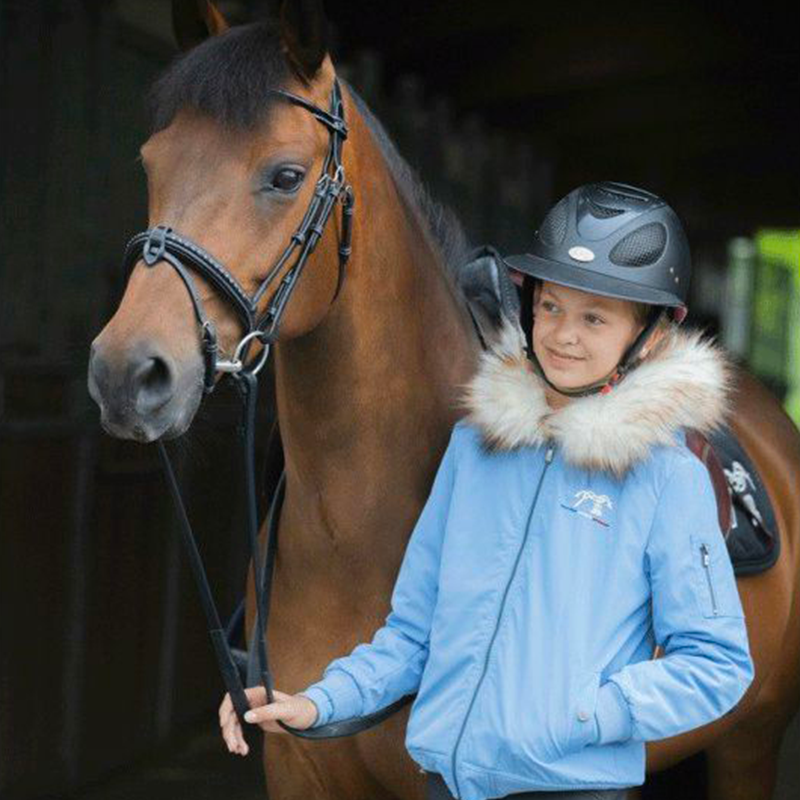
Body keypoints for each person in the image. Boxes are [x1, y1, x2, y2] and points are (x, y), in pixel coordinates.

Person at [219, 182, 754, 800]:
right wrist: (318, 703)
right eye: (551, 307)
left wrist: (590, 713)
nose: (563, 335)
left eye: (594, 318)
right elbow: (413, 634)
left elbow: (717, 664)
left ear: (654, 335)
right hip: (446, 785)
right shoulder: (473, 450)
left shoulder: (667, 477)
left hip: (569, 789)